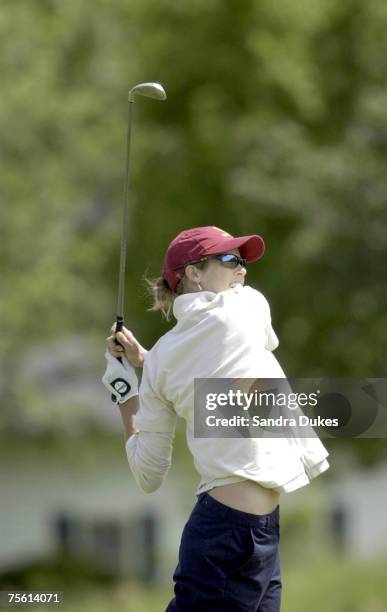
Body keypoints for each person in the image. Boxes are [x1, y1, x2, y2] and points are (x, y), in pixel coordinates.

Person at [102, 226, 330, 611]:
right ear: (193, 273)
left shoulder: (163, 360)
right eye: (230, 259)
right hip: (228, 534)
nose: (242, 270)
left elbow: (146, 473)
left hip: (250, 532)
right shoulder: (246, 307)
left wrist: (129, 382)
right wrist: (150, 360)